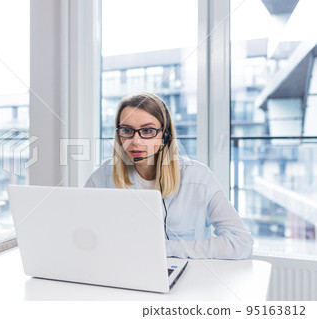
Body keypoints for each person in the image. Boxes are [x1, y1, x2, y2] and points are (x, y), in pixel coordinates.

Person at [84, 92, 253, 259]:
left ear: (165, 135)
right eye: (127, 130)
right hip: (122, 270)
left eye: (148, 130)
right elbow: (81, 233)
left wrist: (166, 248)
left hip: (189, 278)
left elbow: (241, 243)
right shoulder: (102, 176)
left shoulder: (199, 178)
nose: (135, 141)